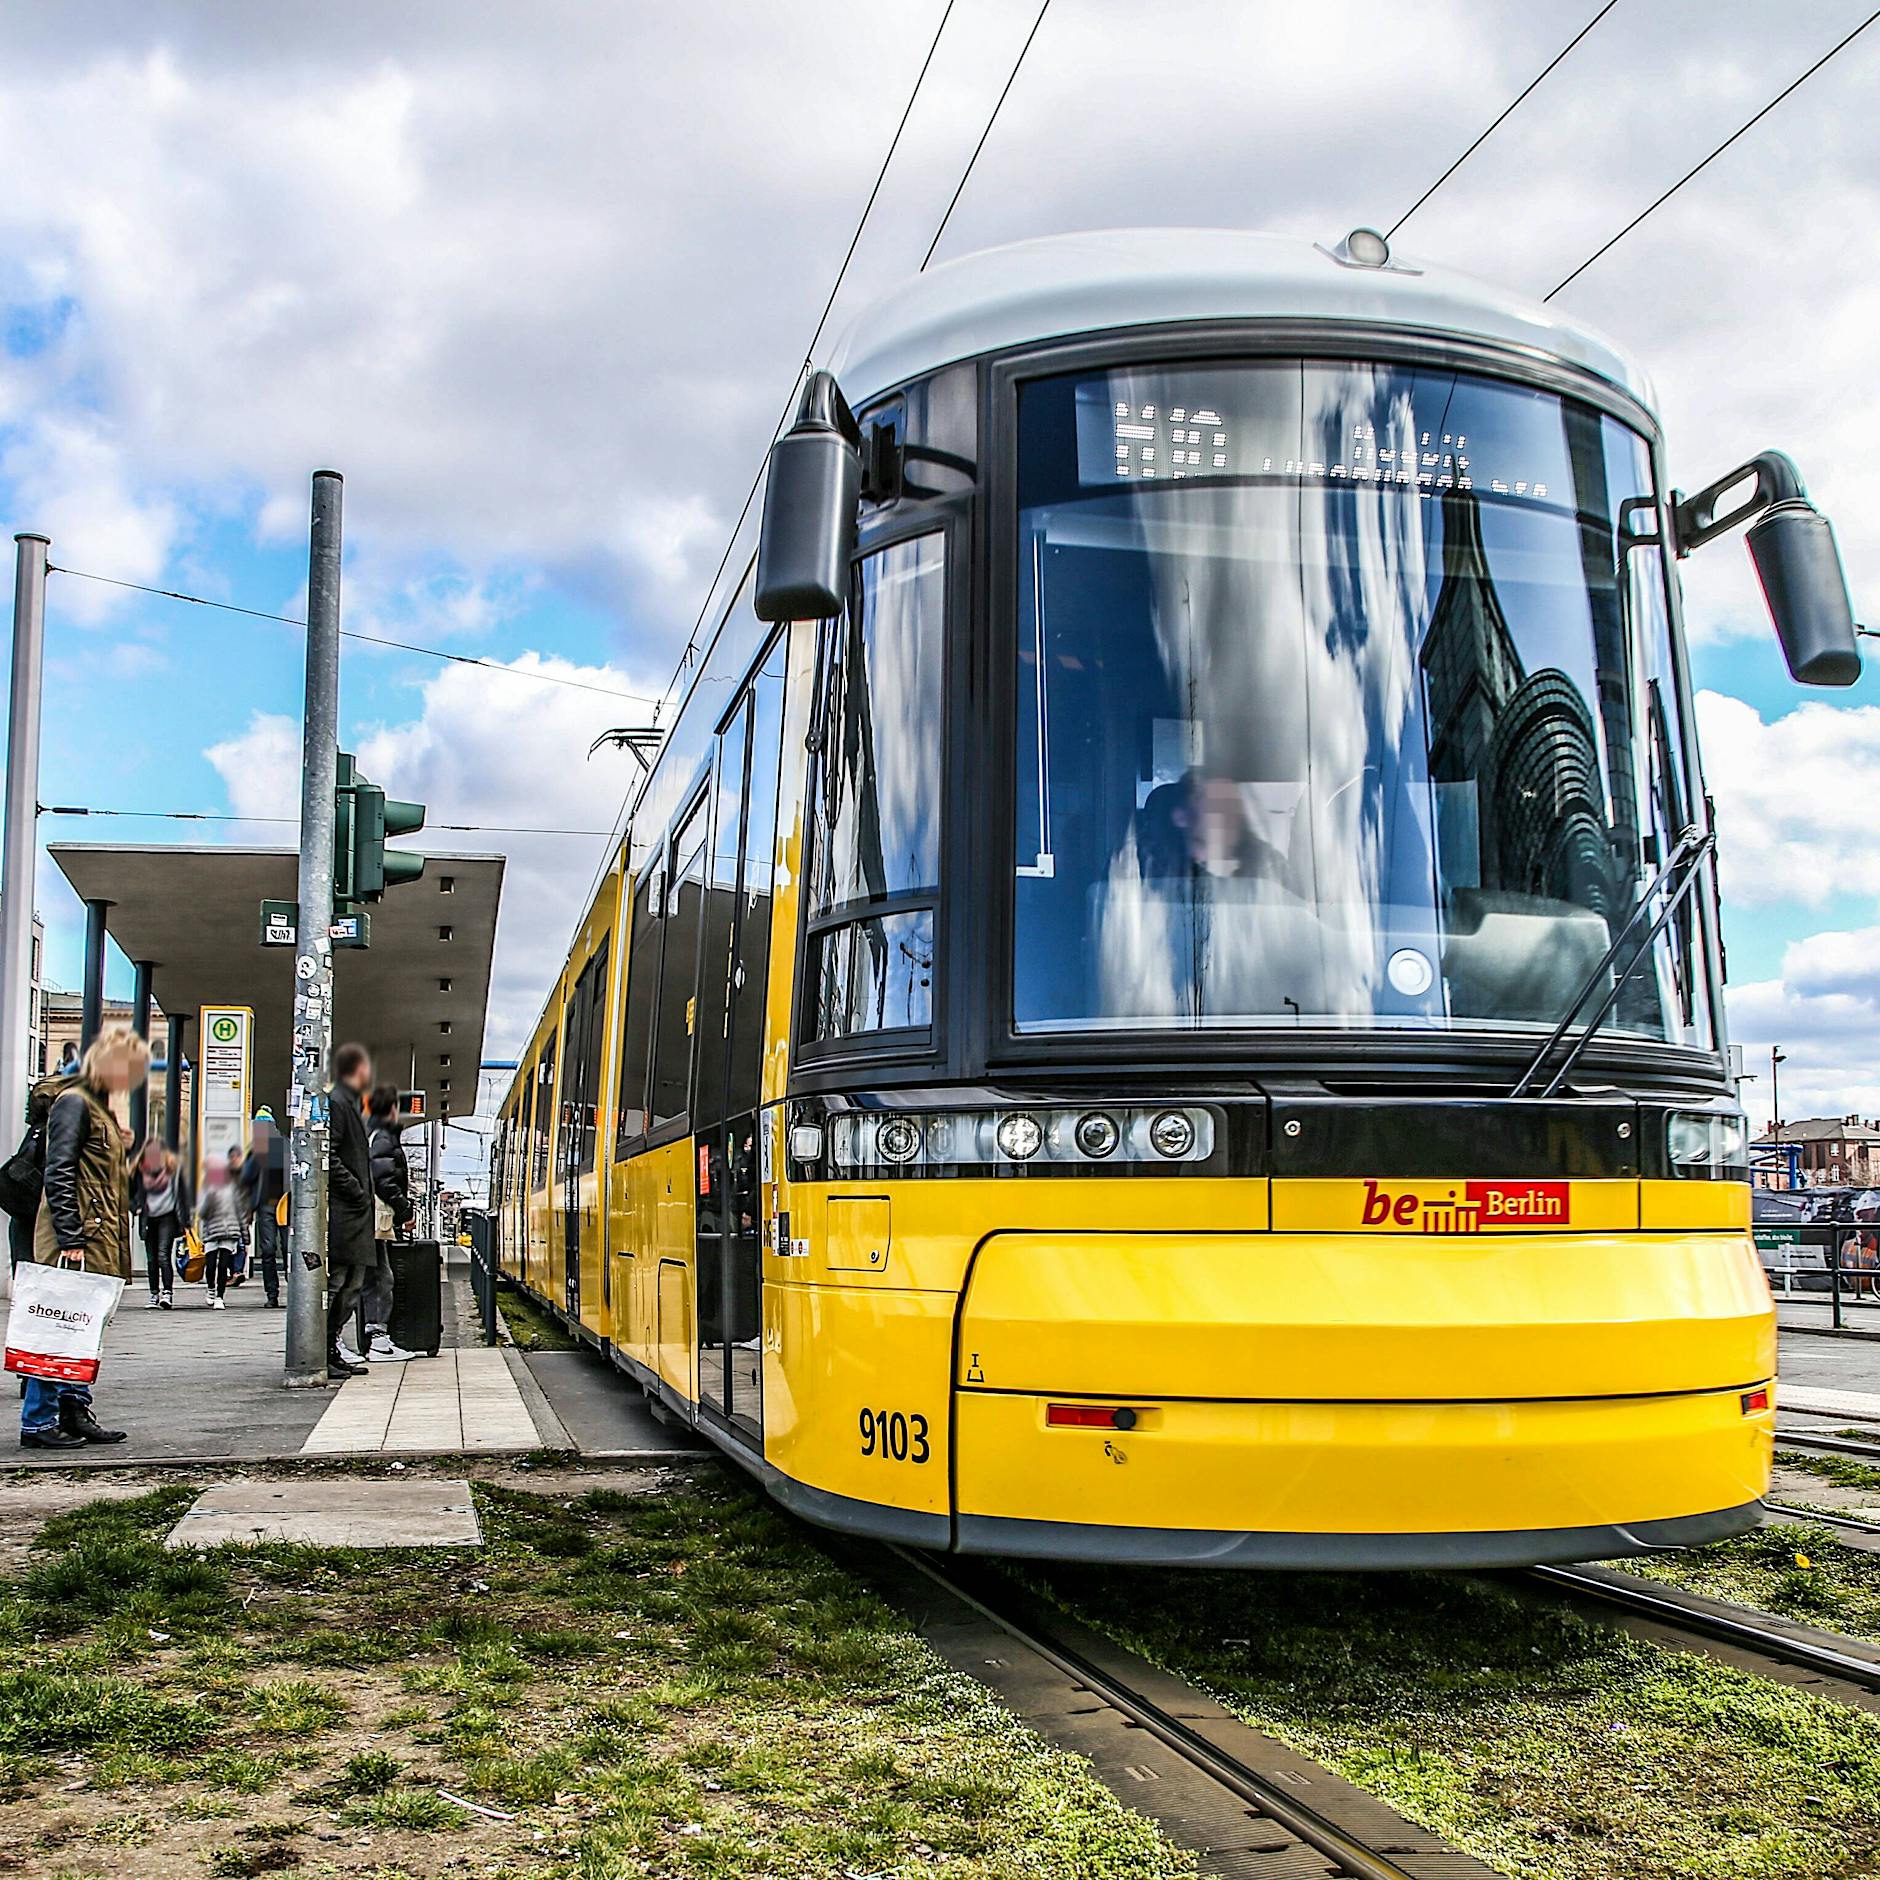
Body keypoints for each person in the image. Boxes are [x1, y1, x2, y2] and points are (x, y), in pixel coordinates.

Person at [21, 1024, 149, 1449]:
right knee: (58, 1326)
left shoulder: (97, 1107)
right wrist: (70, 1235)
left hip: (97, 1233)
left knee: (83, 1328)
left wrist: (122, 1147)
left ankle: (74, 1410)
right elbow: (60, 1173)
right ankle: (38, 1422)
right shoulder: (75, 1103)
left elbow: (99, 1175)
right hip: (79, 1236)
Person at [325, 1043, 377, 1381]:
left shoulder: (349, 1104)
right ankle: (324, 1348)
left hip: (354, 1214)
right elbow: (329, 1156)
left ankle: (331, 1346)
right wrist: (357, 1192)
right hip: (347, 1213)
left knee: (351, 1285)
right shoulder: (338, 1104)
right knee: (340, 1283)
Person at [364, 1084, 417, 1362]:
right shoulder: (383, 1137)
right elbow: (384, 1179)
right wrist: (405, 1209)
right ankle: (377, 1340)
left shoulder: (373, 1134)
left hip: (372, 1216)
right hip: (376, 1217)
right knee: (379, 1278)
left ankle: (374, 1338)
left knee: (371, 1277)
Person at [129, 1135, 192, 1309]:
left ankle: (167, 1293)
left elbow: (183, 1196)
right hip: (148, 1217)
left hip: (168, 1217)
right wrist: (136, 1207)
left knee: (163, 1255)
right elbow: (129, 1194)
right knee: (151, 1259)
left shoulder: (173, 1170)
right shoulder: (139, 1171)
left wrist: (186, 1220)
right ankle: (153, 1294)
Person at [238, 1109, 287, 1307]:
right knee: (286, 1250)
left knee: (269, 1250)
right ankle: (284, 1294)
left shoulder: (260, 1149)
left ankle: (272, 1295)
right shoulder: (285, 1144)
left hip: (270, 1205)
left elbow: (245, 1177)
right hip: (282, 1205)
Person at [196, 1160, 245, 1309]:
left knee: (224, 1265)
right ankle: (211, 1289)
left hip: (229, 1231)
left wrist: (244, 1232)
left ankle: (220, 1296)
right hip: (212, 1231)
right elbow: (202, 1212)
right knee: (210, 1265)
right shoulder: (206, 1189)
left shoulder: (232, 1189)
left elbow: (239, 1210)